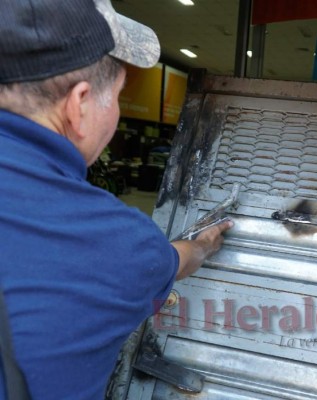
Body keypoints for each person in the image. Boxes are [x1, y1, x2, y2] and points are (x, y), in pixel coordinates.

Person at [0, 0, 232, 399]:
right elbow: (178, 259)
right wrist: (204, 244)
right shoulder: (115, 240)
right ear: (79, 103)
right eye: (118, 94)